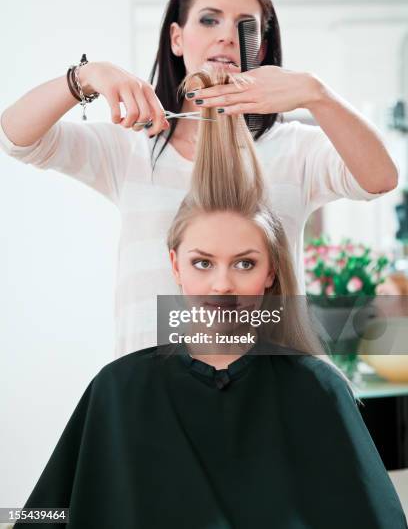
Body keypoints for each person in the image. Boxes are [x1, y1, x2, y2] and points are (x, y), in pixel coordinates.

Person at [12, 66, 407, 529]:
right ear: (176, 266)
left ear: (270, 273)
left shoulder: (317, 391)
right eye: (203, 263)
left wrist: (315, 93)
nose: (222, 285)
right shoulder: (119, 390)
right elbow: (45, 515)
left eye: (244, 263)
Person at [0, 0, 398, 358]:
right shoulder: (131, 148)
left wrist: (317, 93)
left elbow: (380, 177)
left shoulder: (297, 149)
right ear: (177, 38)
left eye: (244, 25)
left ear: (258, 47)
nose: (226, 36)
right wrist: (85, 76)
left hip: (266, 390)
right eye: (209, 20)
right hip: (153, 389)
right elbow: (16, 137)